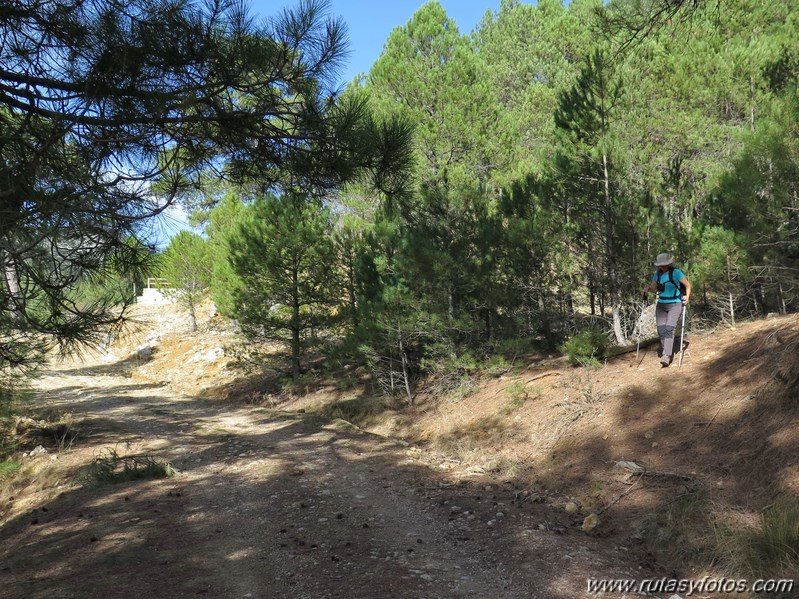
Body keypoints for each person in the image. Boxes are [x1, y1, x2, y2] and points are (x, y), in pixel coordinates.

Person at [641, 252, 692, 367]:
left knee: (669, 328)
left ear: (669, 264)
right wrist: (646, 289)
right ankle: (668, 348)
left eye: (665, 264)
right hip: (661, 304)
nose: (663, 267)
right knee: (661, 330)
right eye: (661, 265)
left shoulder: (676, 273)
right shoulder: (657, 275)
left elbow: (688, 285)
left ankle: (666, 355)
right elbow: (653, 288)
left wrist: (687, 297)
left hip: (675, 303)